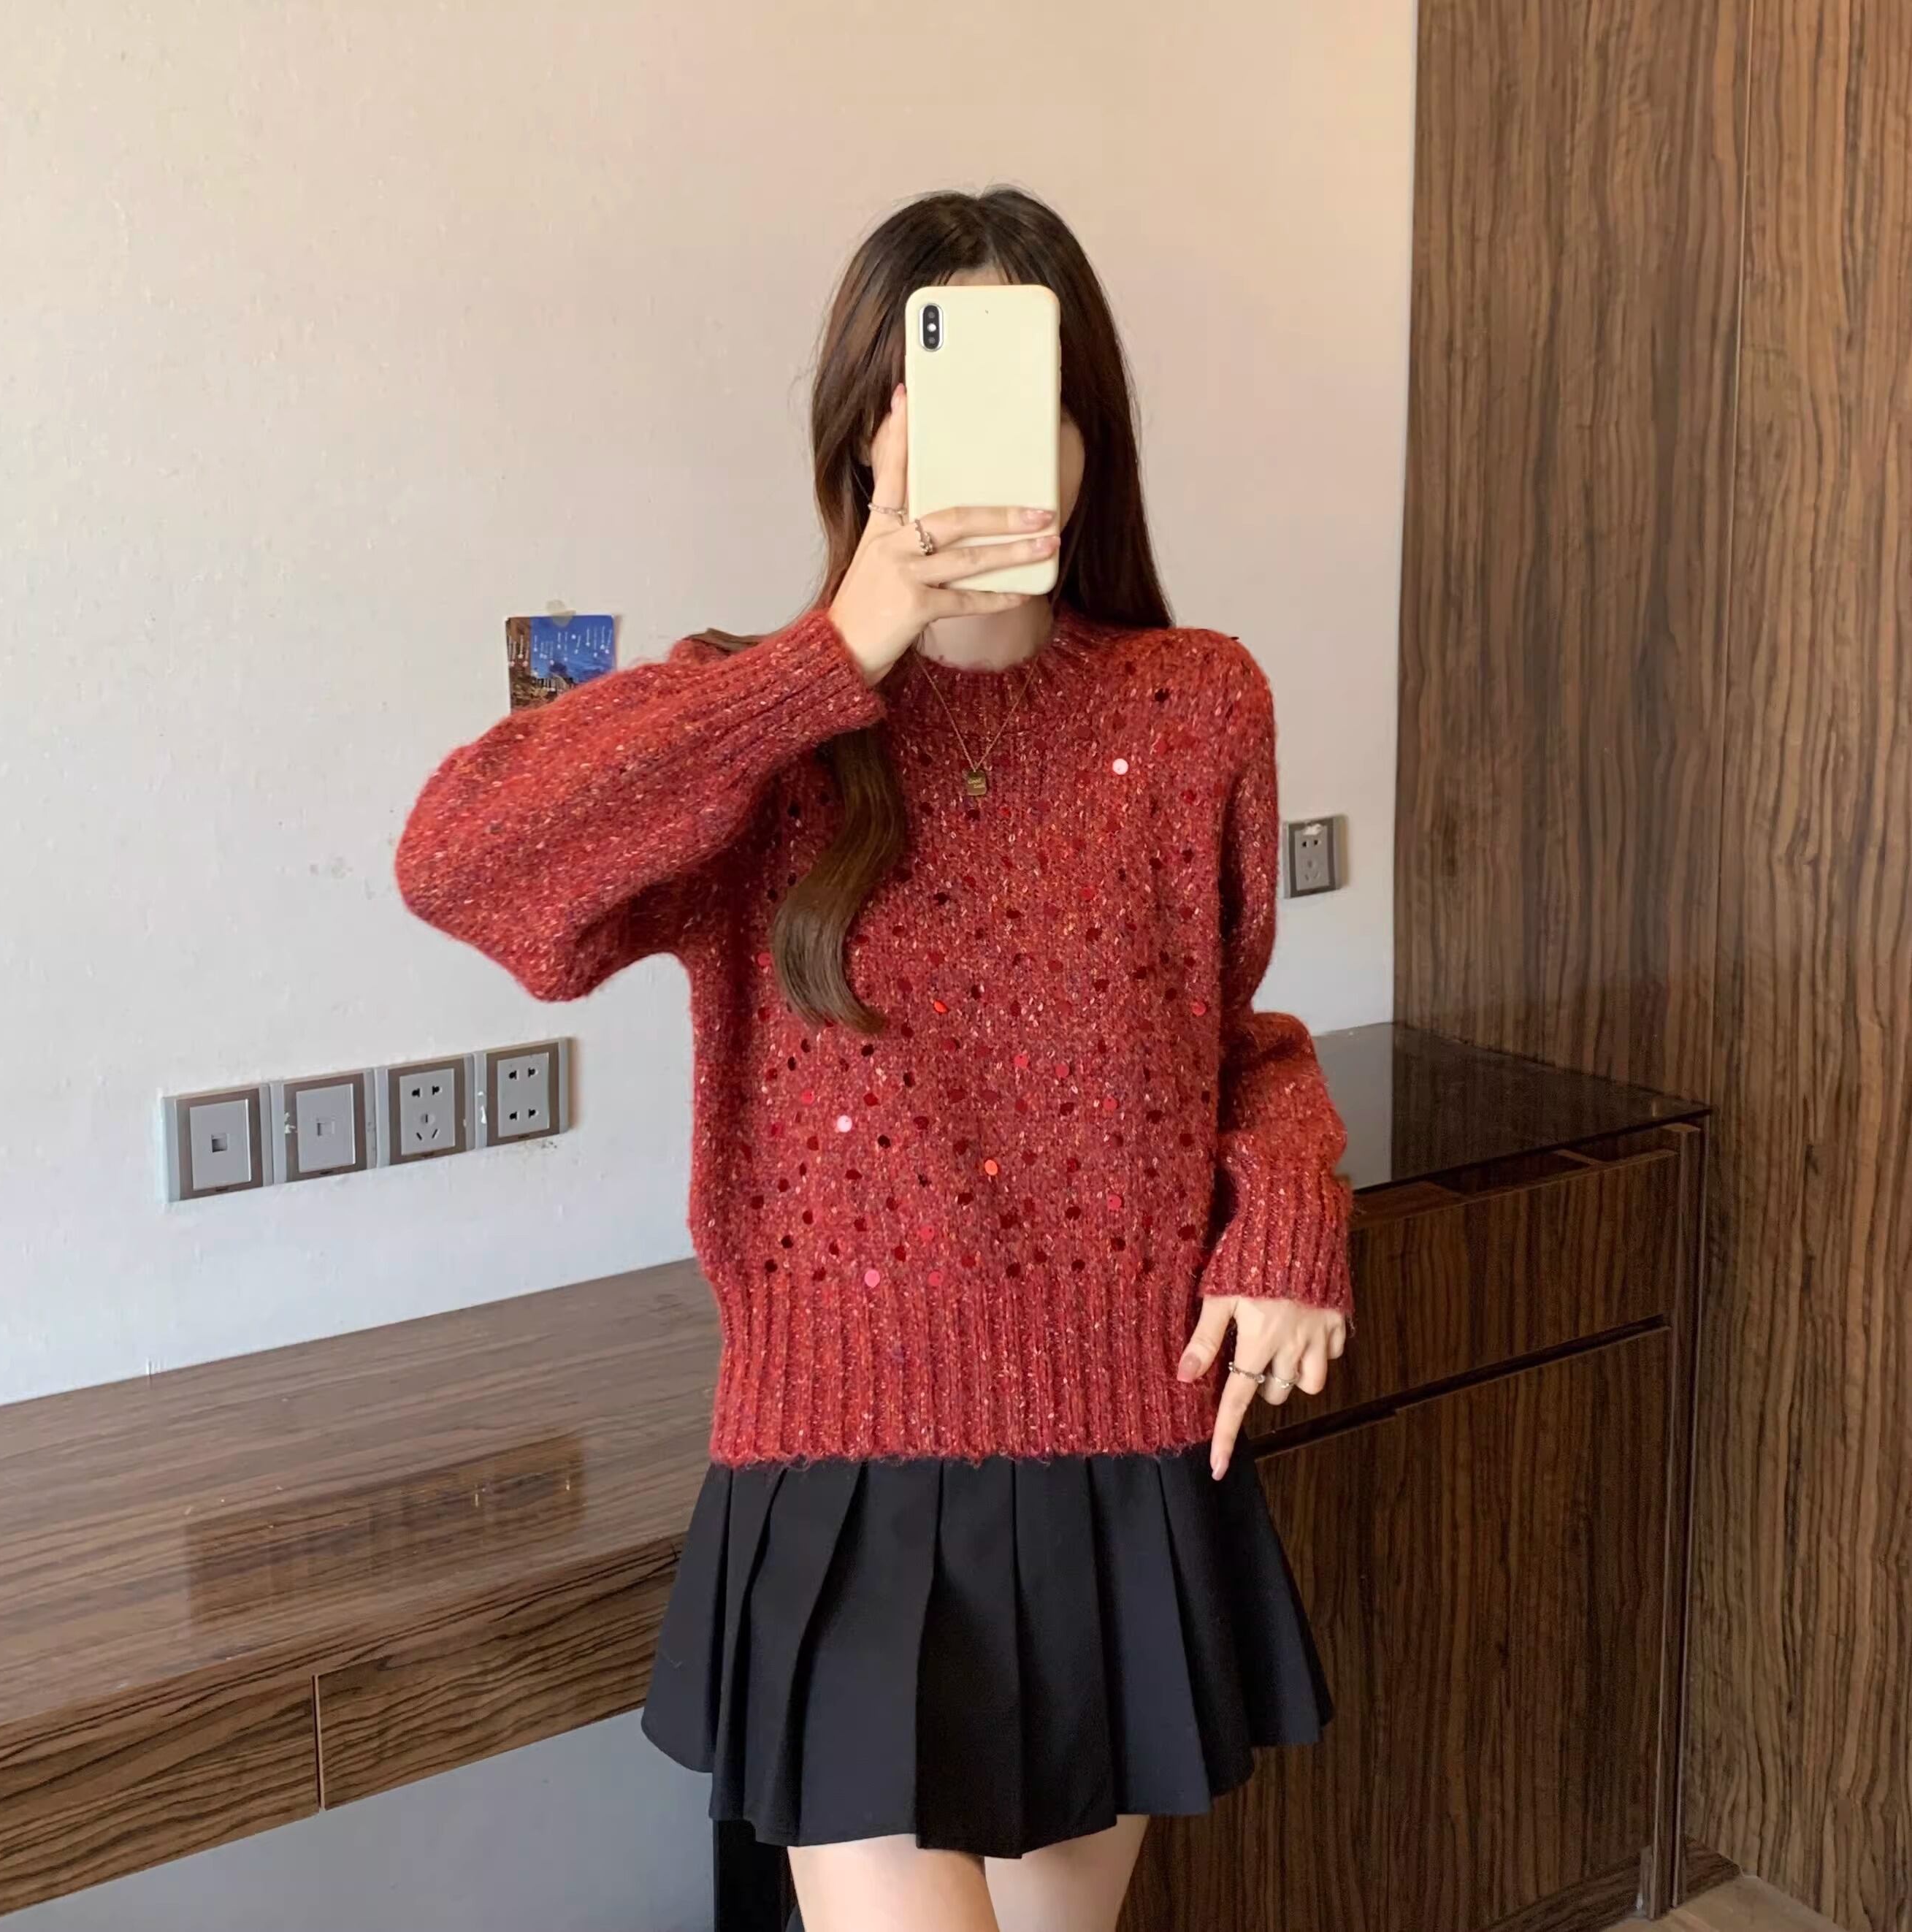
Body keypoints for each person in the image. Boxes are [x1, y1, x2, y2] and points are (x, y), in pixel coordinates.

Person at [394, 186, 1353, 1932]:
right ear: (867, 433)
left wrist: (1288, 1214)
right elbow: (463, 865)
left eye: (1042, 394)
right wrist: (829, 655)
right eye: (947, 391)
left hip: (1119, 1449)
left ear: (1091, 437)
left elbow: (1235, 1044)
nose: (1007, 443)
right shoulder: (752, 725)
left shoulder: (1195, 704)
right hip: (839, 1470)